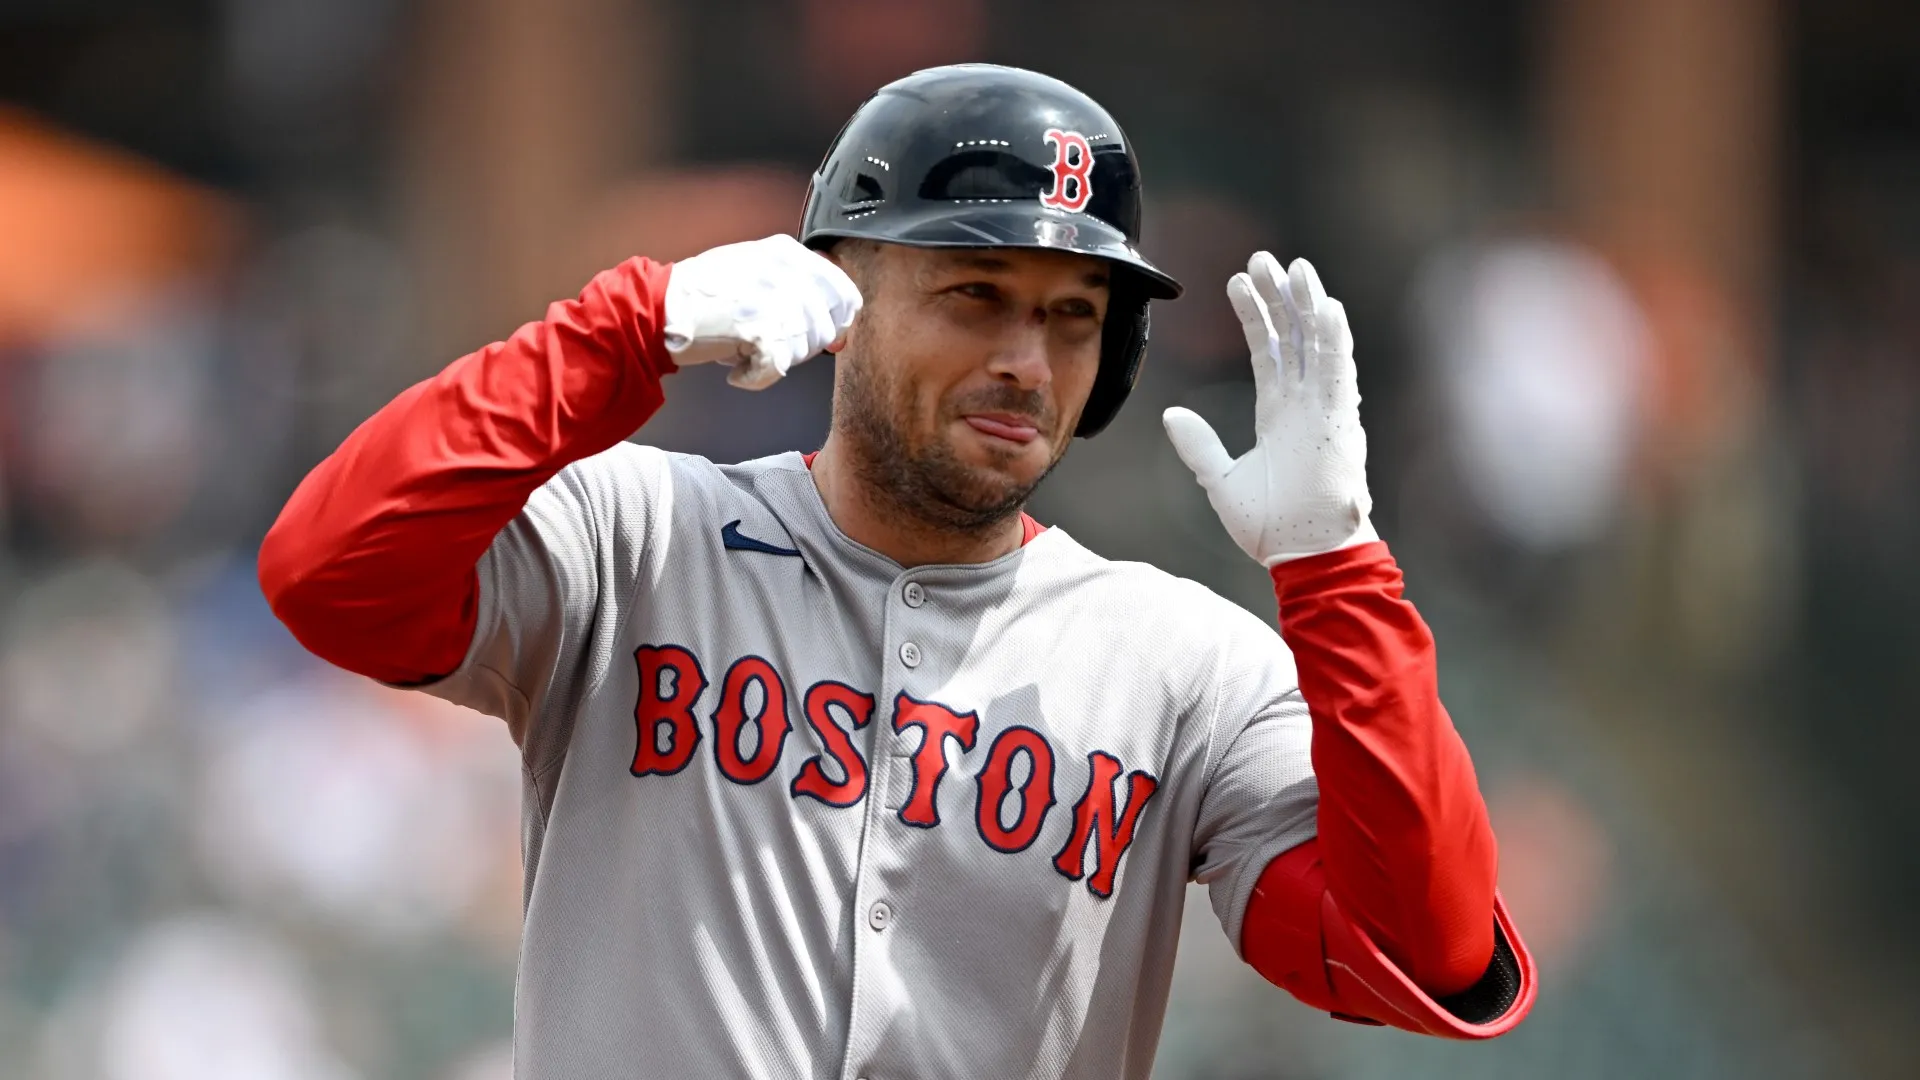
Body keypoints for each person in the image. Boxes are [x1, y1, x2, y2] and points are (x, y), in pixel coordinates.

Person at [259, 63, 1533, 1079]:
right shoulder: (635, 534)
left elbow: (1422, 948)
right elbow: (331, 573)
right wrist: (625, 329)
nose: (1026, 360)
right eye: (976, 292)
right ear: (838, 296)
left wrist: (1338, 571)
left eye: (1072, 315)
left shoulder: (1187, 665)